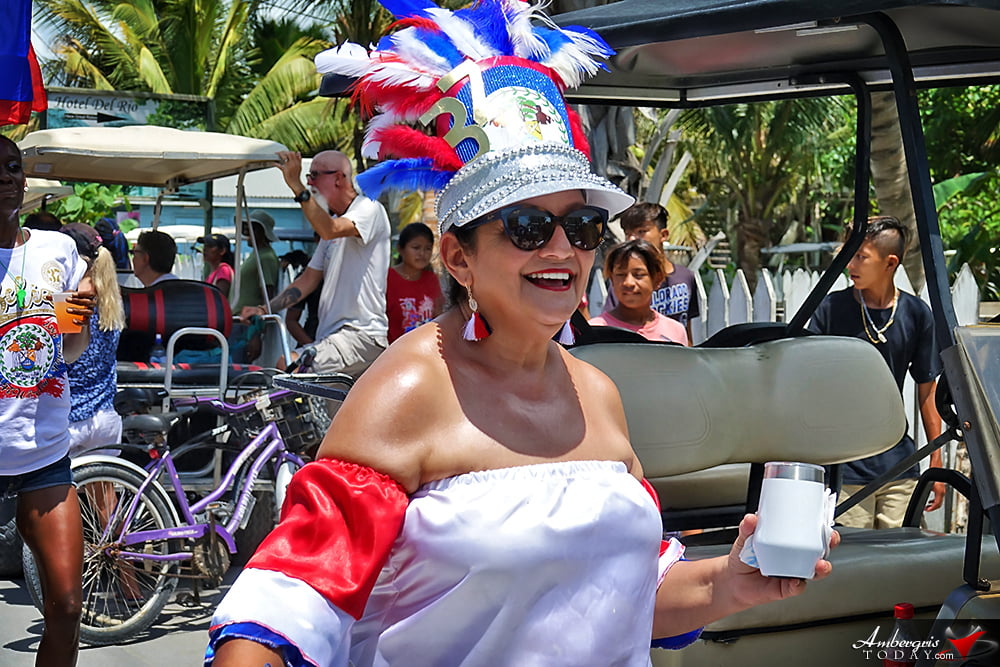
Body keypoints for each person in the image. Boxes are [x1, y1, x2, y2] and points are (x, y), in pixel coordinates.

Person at [207, 2, 835, 665]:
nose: (563, 248)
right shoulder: (410, 387)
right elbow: (283, 603)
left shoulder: (597, 391)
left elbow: (631, 591)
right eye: (529, 226)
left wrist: (727, 582)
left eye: (583, 226)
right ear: (458, 257)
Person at [0, 135, 94, 666]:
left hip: (43, 455)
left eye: (13, 167)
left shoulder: (56, 250)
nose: (5, 177)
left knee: (66, 607)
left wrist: (79, 318)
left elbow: (72, 350)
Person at [810, 215, 945, 529]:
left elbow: (927, 388)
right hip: (845, 468)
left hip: (899, 466)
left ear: (890, 262)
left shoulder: (915, 313)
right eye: (848, 254)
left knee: (900, 561)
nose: (850, 264)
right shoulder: (830, 310)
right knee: (852, 563)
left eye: (860, 256)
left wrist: (935, 459)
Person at [241, 149, 390, 376]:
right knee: (333, 412)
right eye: (308, 177)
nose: (309, 182)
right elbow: (307, 281)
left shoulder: (368, 208)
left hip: (360, 336)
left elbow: (329, 231)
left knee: (289, 367)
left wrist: (296, 186)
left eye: (314, 176)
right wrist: (263, 309)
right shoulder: (332, 223)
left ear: (339, 178)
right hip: (334, 337)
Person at [59, 223, 125, 458]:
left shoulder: (70, 295)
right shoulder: (111, 295)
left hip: (70, 419)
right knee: (105, 493)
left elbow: (64, 353)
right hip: (105, 415)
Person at [606, 202, 701, 341]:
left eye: (641, 232)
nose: (632, 239)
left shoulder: (686, 277)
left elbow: (687, 331)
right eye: (628, 234)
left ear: (663, 234)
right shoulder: (624, 282)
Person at [590, 239, 689, 345]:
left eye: (638, 275)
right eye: (620, 274)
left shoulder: (675, 331)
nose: (628, 283)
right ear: (612, 279)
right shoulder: (595, 331)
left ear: (657, 279)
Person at [231, 210, 279, 363]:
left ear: (261, 231)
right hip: (239, 322)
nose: (246, 232)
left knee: (236, 372)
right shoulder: (256, 255)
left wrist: (256, 333)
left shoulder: (266, 257)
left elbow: (267, 294)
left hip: (247, 325)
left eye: (250, 228)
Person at [386, 222, 443, 343]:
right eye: (416, 248)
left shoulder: (432, 279)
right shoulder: (387, 278)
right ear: (401, 249)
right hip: (393, 350)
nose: (422, 254)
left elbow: (439, 316)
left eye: (427, 248)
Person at [199, 232, 235, 298]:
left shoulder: (224, 270)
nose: (204, 249)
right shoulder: (214, 272)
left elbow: (219, 299)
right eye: (205, 246)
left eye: (210, 246)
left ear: (222, 251)